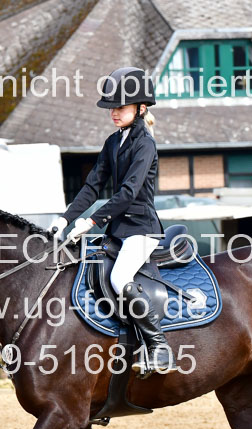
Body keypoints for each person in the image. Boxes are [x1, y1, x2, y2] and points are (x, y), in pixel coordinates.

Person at [49, 66, 175, 374]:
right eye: (111, 108)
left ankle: (159, 347)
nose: (114, 113)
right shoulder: (113, 142)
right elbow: (93, 185)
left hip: (142, 230)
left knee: (120, 279)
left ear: (141, 108)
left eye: (120, 107)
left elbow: (129, 193)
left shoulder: (145, 144)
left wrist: (91, 223)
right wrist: (65, 219)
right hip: (118, 231)